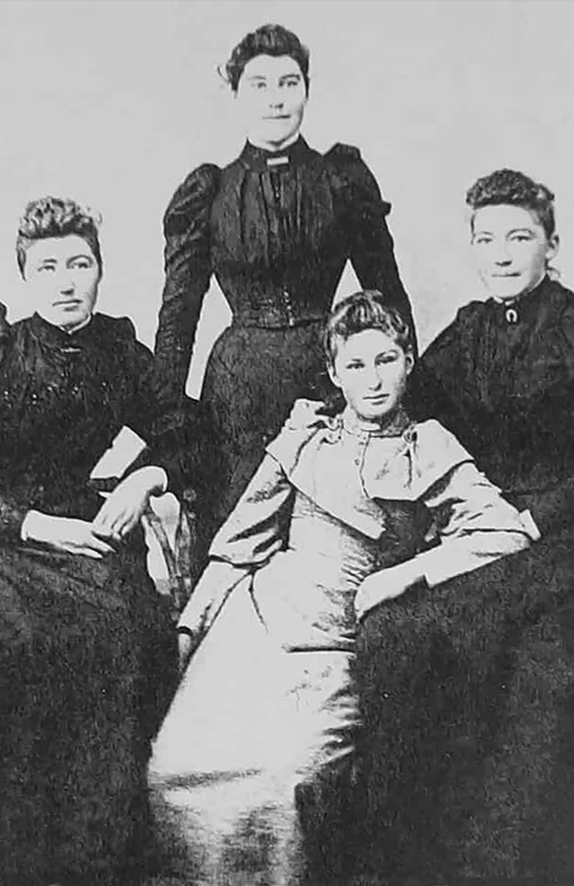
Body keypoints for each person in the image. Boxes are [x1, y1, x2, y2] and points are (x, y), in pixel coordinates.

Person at [147, 290, 538, 886]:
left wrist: (408, 575)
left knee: (285, 781)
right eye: (356, 366)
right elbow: (239, 543)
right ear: (334, 373)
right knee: (173, 770)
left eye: (386, 360)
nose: (373, 379)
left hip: (337, 640)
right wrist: (190, 628)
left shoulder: (428, 445)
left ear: (409, 361)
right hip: (256, 622)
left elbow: (506, 530)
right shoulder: (307, 433)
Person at [352, 169, 574, 886]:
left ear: (550, 245)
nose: (501, 254)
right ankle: (409, 860)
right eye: (486, 239)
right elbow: (405, 403)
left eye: (519, 237)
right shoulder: (465, 333)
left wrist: (538, 517)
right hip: (485, 536)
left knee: (534, 650)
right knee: (395, 634)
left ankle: (495, 866)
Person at [0, 197, 188, 886]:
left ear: (99, 272)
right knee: (17, 638)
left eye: (81, 264)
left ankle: (92, 856)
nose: (67, 281)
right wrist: (33, 524)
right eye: (49, 267)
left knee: (127, 623)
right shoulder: (0, 348)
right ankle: (6, 861)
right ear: (27, 277)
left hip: (81, 528)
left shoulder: (119, 351)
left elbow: (186, 429)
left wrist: (148, 476)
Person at [154, 23, 412, 552]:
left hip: (329, 378)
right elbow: (178, 318)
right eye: (260, 85)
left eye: (289, 83)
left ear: (307, 91)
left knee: (333, 532)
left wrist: (403, 387)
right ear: (237, 95)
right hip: (239, 389)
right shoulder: (211, 192)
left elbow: (387, 296)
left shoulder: (341, 181)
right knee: (238, 532)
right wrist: (166, 420)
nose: (276, 99)